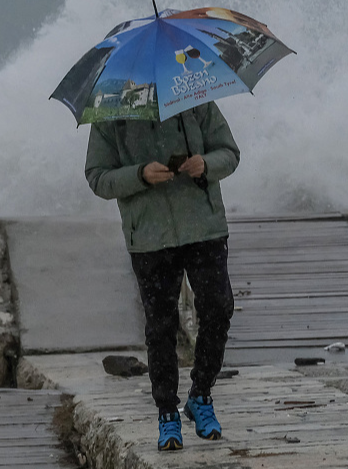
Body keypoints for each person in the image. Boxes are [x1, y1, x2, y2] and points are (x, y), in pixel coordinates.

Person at [85, 101, 239, 452]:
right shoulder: (111, 114)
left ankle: (201, 394)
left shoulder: (194, 98)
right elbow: (97, 176)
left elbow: (229, 152)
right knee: (160, 326)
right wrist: (139, 174)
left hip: (204, 227)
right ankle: (167, 412)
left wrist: (205, 165)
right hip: (150, 238)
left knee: (218, 308)